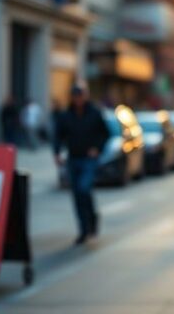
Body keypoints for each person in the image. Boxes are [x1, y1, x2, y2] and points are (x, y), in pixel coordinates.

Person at [53, 84, 110, 245]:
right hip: (73, 158)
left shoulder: (94, 113)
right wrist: (57, 153)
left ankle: (92, 218)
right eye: (75, 96)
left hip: (89, 159)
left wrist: (97, 149)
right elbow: (58, 136)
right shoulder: (66, 115)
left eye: (80, 96)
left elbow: (105, 134)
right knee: (77, 195)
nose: (78, 99)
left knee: (84, 188)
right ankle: (84, 229)